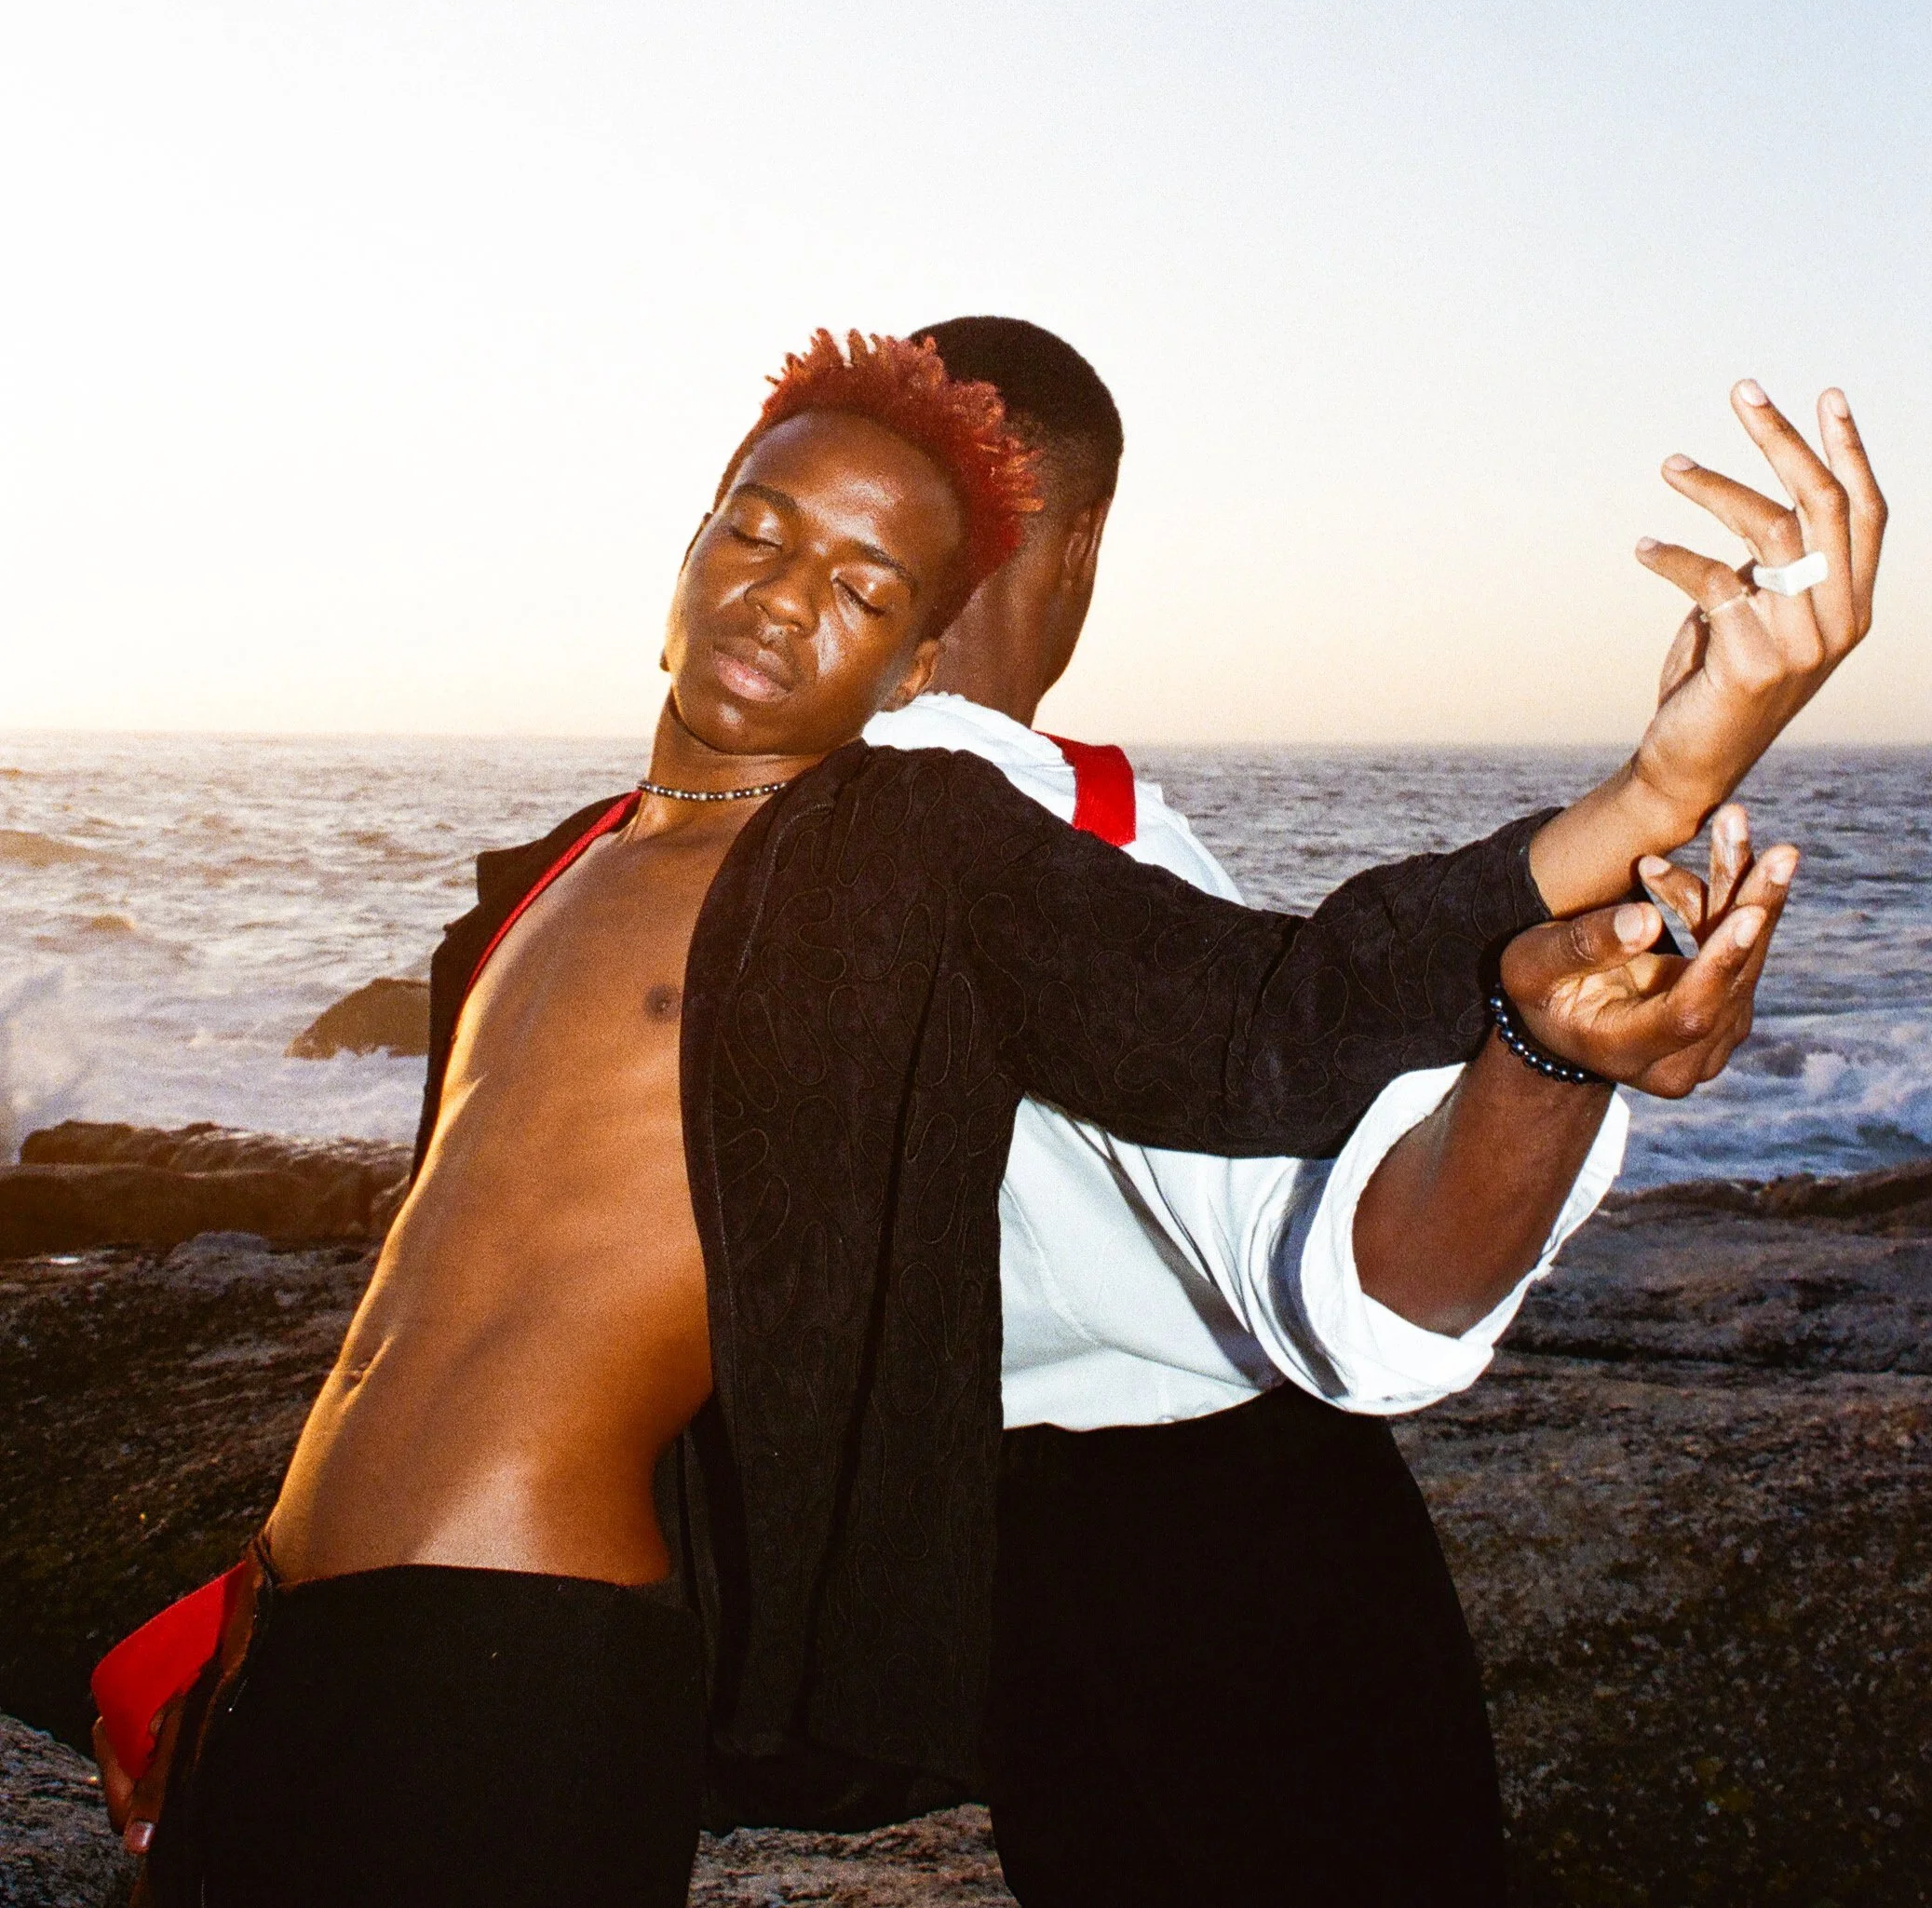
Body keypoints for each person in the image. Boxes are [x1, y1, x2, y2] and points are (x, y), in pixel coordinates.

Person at [91, 331, 1852, 1906]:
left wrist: (1664, 783)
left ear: (921, 655)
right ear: (689, 543)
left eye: (864, 586)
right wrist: (239, 1620)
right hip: (291, 1643)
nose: (786, 598)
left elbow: (1279, 1006)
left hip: (519, 1654)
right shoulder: (546, 876)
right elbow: (445, 1304)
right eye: (759, 536)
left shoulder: (914, 847)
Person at [862, 316, 1883, 1905]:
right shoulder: (1049, 827)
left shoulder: (736, 842)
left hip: (986, 1560)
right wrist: (1558, 1045)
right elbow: (1364, 1286)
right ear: (1079, 539)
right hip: (1232, 1536)